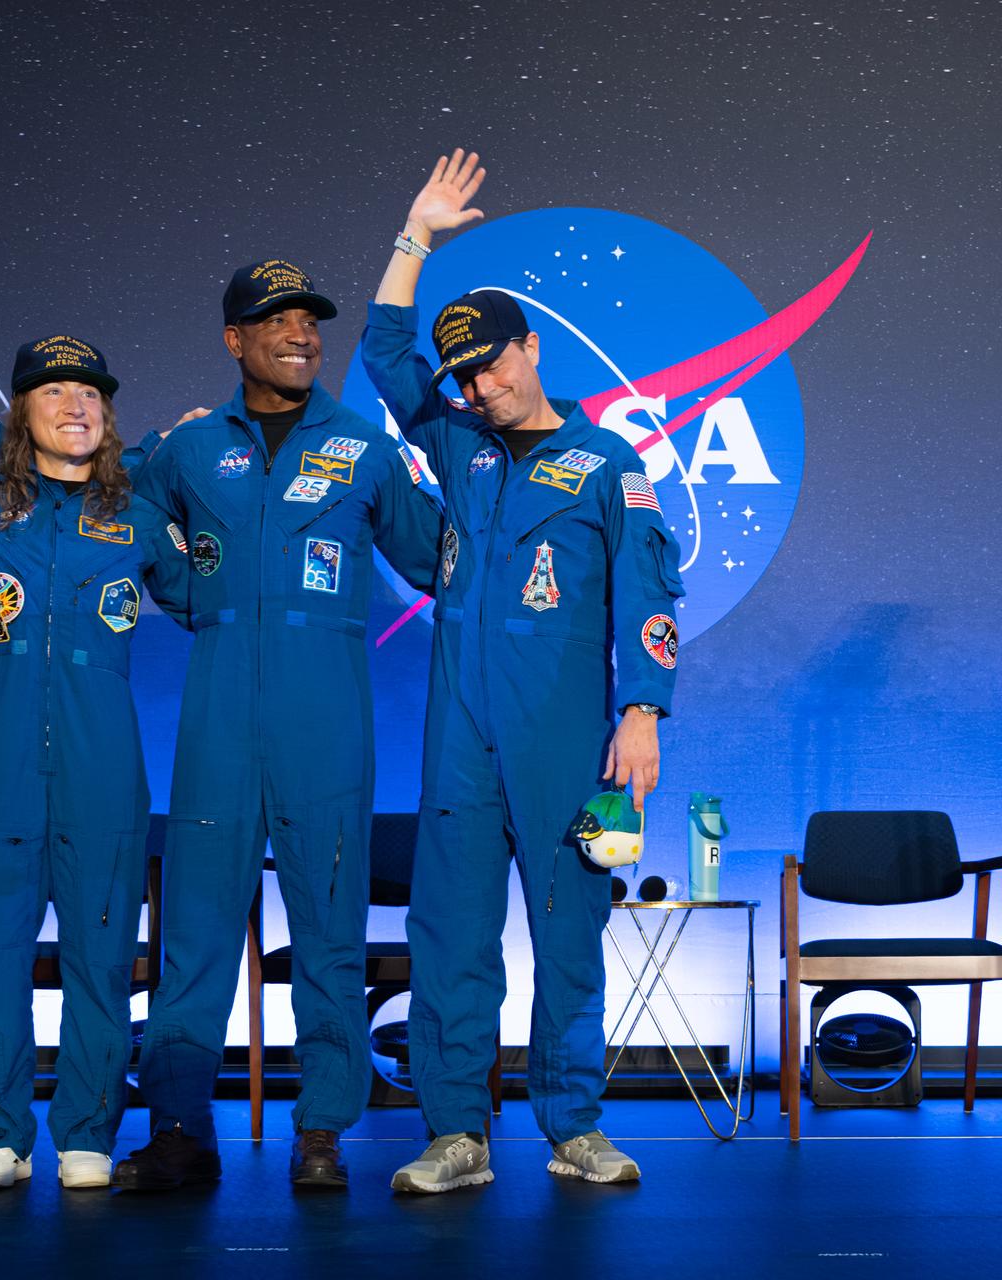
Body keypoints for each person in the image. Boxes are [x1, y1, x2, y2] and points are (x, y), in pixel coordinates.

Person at [361, 151, 683, 1192]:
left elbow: (649, 595)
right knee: (450, 936)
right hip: (461, 740)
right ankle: (457, 1133)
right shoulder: (458, 444)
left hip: (570, 742)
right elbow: (383, 350)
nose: (479, 387)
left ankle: (573, 1126)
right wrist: (415, 236)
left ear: (531, 348)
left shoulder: (608, 466)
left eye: (493, 365)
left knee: (571, 932)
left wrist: (643, 711)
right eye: (464, 376)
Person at [117, 261, 444, 1191]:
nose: (301, 334)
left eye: (310, 320)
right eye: (276, 320)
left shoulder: (363, 448)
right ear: (235, 339)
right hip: (219, 709)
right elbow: (127, 512)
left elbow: (437, 557)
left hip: (325, 712)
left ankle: (322, 1131)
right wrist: (194, 596)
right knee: (195, 932)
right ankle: (179, 1128)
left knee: (329, 929)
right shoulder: (189, 449)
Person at [0, 336, 192, 1191]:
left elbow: (208, 599)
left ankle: (86, 1129)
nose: (76, 405)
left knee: (101, 955)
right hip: (0, 763)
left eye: (90, 392)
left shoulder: (140, 514)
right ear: (22, 411)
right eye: (54, 391)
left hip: (103, 765)